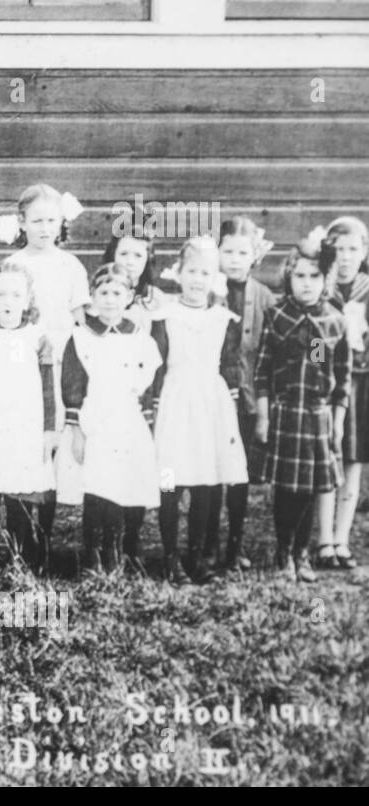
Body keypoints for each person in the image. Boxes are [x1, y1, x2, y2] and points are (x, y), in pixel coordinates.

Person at [151, 237, 248, 584]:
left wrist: (232, 414)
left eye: (205, 273)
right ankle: (169, 556)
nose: (197, 279)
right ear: (178, 273)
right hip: (174, 402)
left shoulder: (224, 318)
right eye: (191, 271)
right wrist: (154, 402)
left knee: (206, 479)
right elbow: (157, 365)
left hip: (210, 405)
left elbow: (231, 365)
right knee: (169, 481)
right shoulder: (164, 315)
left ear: (215, 277)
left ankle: (198, 556)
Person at [256, 237, 349, 583]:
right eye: (300, 277)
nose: (307, 284)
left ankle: (302, 553)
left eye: (314, 276)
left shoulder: (333, 322)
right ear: (289, 279)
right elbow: (263, 372)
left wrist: (337, 424)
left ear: (325, 280)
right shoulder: (277, 316)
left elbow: (338, 381)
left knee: (309, 488)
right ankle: (284, 553)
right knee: (286, 489)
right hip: (286, 413)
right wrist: (264, 416)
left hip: (317, 415)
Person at [2, 185, 90, 556]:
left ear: (61, 222)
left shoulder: (70, 266)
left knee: (51, 447)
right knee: (24, 445)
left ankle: (44, 536)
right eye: (36, 220)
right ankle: (19, 538)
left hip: (60, 368)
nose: (44, 228)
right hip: (24, 367)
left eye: (51, 220)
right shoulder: (14, 265)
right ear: (22, 222)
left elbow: (80, 322)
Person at [60, 264, 163, 576]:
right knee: (96, 485)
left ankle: (121, 548)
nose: (109, 300)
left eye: (117, 293)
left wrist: (147, 420)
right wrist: (77, 430)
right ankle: (93, 552)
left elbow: (149, 382)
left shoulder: (140, 338)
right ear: (92, 296)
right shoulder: (81, 337)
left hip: (128, 418)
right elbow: (73, 384)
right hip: (95, 418)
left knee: (128, 483)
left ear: (129, 297)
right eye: (102, 293)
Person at [0, 261, 56, 572]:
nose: (8, 302)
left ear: (28, 300)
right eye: (1, 294)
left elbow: (47, 390)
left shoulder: (37, 337)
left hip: (24, 426)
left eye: (16, 295)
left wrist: (47, 430)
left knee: (19, 493)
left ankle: (18, 554)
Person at [206, 216, 275, 571]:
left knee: (239, 473)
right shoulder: (206, 291)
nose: (234, 259)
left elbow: (278, 348)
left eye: (242, 252)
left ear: (254, 256)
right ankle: (208, 543)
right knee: (211, 472)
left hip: (248, 398)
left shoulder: (265, 297)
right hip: (211, 395)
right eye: (227, 251)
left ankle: (235, 544)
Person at [322, 215, 369, 569]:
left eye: (354, 249)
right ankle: (323, 538)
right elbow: (313, 348)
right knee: (327, 457)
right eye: (340, 249)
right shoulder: (322, 290)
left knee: (352, 459)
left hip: (361, 383)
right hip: (328, 385)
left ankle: (342, 537)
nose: (347, 257)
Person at [101, 229, 166, 331]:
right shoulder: (100, 294)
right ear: (113, 255)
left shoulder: (157, 299)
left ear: (147, 259)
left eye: (138, 255)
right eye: (123, 254)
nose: (130, 262)